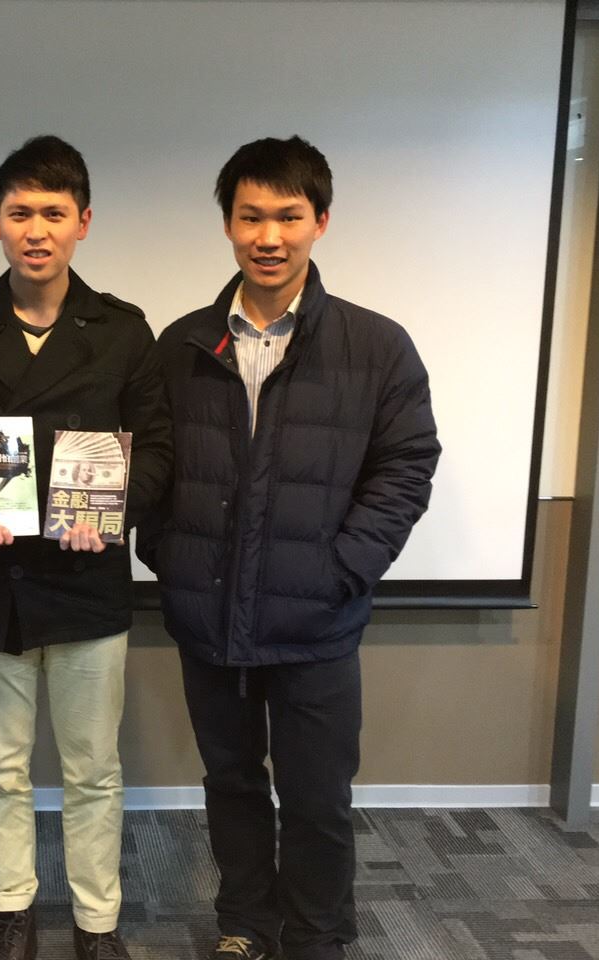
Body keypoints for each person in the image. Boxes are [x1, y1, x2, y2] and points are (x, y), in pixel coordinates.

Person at [137, 137, 441, 960]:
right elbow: (151, 465)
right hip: (209, 620)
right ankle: (245, 922)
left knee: (316, 797)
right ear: (228, 225)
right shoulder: (182, 344)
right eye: (250, 217)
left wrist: (344, 568)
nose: (268, 237)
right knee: (232, 784)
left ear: (320, 222)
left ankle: (314, 937)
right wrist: (169, 553)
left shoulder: (376, 347)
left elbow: (407, 464)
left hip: (317, 622)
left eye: (288, 216)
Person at [0, 135, 172, 960]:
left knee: (93, 770)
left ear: (83, 221)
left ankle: (97, 922)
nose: (37, 230)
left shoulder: (124, 329)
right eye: (20, 213)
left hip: (89, 581)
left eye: (54, 213)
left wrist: (113, 513)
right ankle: (10, 910)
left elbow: (159, 449)